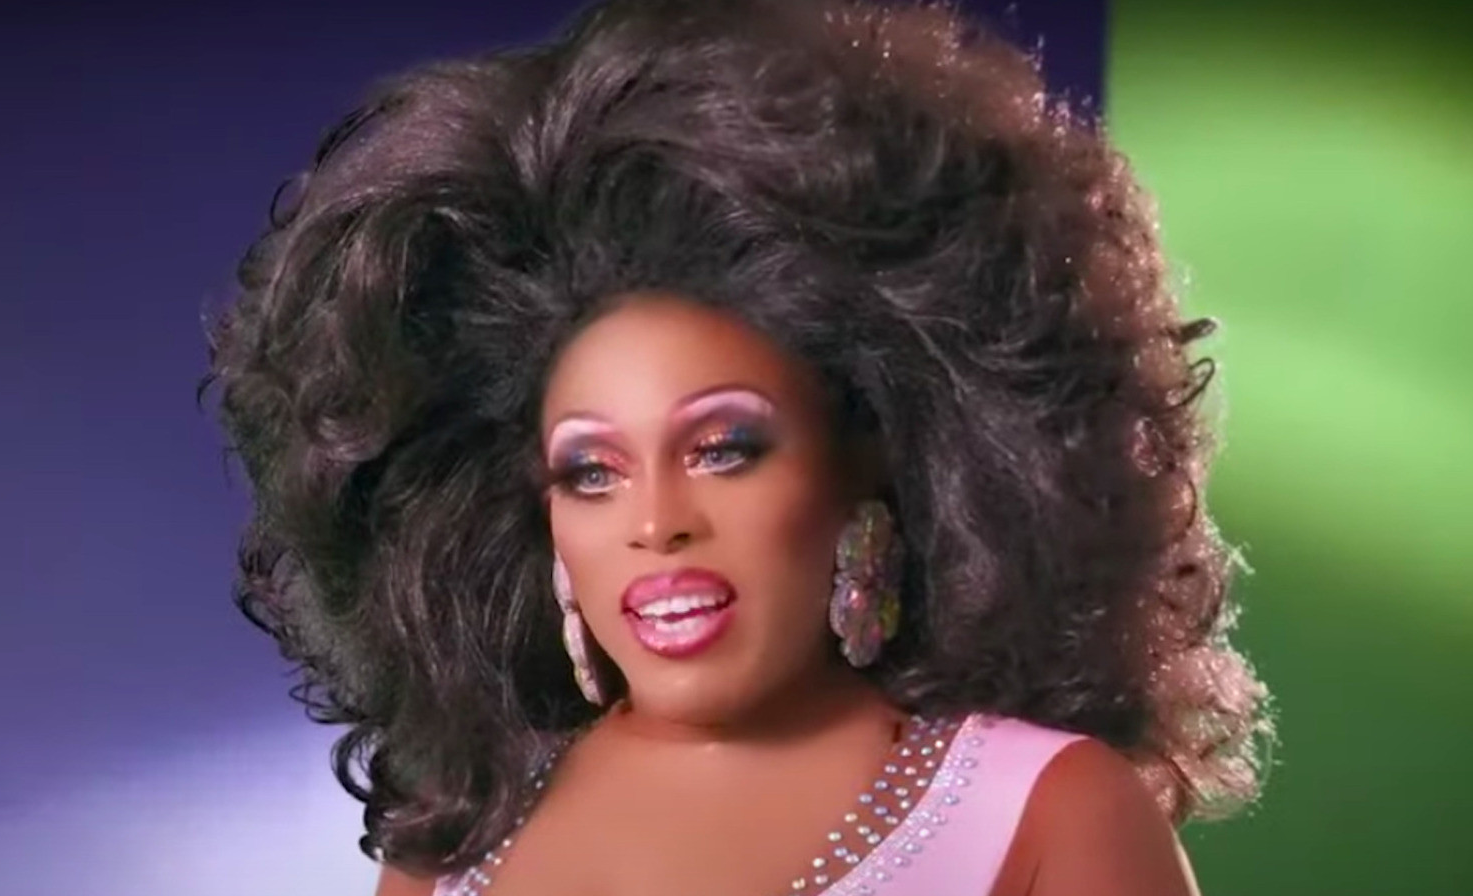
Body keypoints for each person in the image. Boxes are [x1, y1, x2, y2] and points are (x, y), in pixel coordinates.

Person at [203, 0, 1273, 893]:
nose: (656, 522)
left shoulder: (1049, 810)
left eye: (723, 449)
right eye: (590, 471)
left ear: (870, 461)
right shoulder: (457, 835)